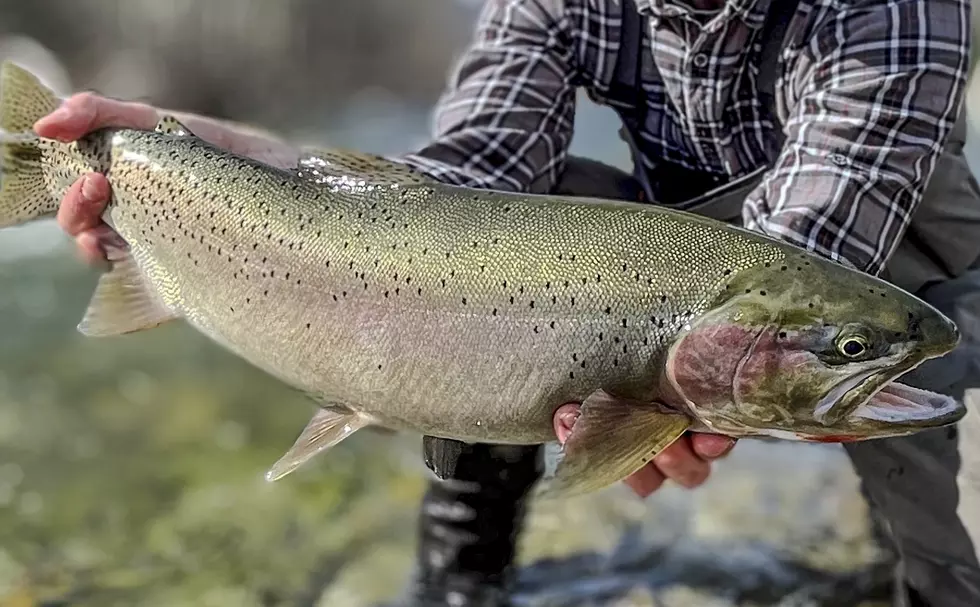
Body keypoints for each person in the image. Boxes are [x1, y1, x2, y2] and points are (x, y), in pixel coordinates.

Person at [34, 0, 980, 605]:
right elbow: (457, 184)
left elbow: (813, 246)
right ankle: (461, 578)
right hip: (692, 264)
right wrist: (247, 168)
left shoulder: (899, 10)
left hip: (881, 247)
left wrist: (676, 404)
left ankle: (928, 577)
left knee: (909, 400)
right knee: (510, 241)